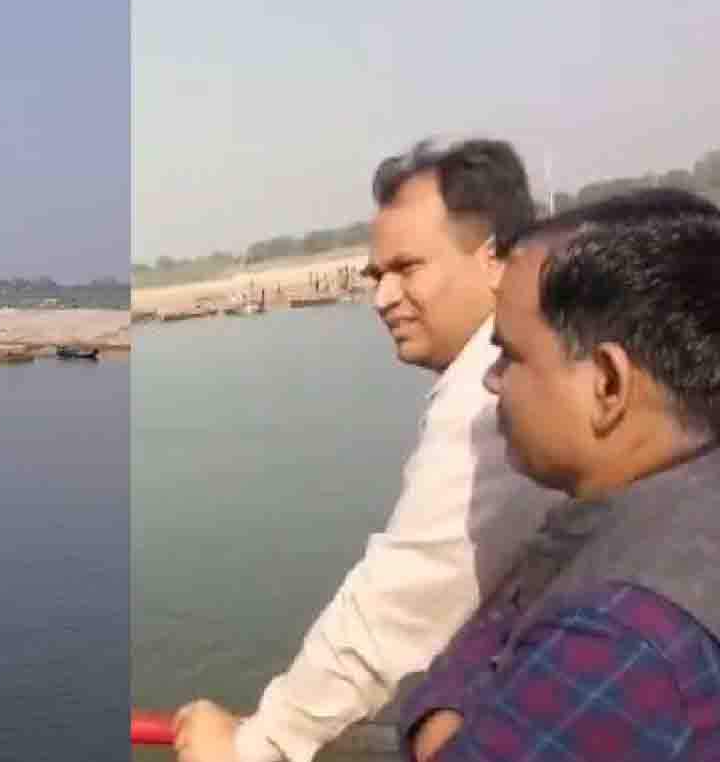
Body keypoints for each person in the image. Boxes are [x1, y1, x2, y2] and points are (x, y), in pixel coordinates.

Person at [173, 139, 563, 762]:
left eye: (407, 268)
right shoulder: (518, 364)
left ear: (495, 260)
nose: (382, 298)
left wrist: (261, 743)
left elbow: (404, 597)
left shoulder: (493, 391)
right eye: (377, 276)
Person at [402, 187, 720, 762]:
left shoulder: (622, 635)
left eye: (511, 355)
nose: (491, 381)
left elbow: (451, 715)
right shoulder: (662, 504)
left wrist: (436, 726)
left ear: (607, 384)